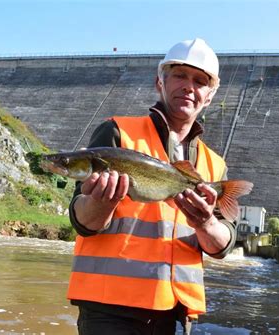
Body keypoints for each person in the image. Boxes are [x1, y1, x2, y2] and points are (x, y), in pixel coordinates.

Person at [67, 38, 236, 335]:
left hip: (175, 314)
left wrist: (206, 222)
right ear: (160, 82)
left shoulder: (215, 165)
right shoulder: (116, 132)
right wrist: (101, 202)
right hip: (110, 308)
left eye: (199, 80)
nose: (189, 86)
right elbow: (81, 220)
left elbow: (222, 245)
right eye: (179, 75)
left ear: (209, 96)